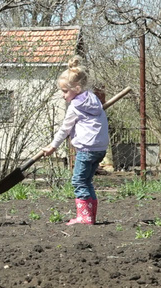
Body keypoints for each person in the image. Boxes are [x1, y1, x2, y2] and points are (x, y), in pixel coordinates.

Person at [42, 55, 109, 225]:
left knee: (78, 181)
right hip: (100, 148)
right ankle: (90, 216)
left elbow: (65, 129)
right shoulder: (93, 99)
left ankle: (84, 217)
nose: (63, 95)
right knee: (87, 181)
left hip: (86, 149)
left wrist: (52, 146)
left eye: (65, 91)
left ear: (77, 88)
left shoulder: (75, 107)